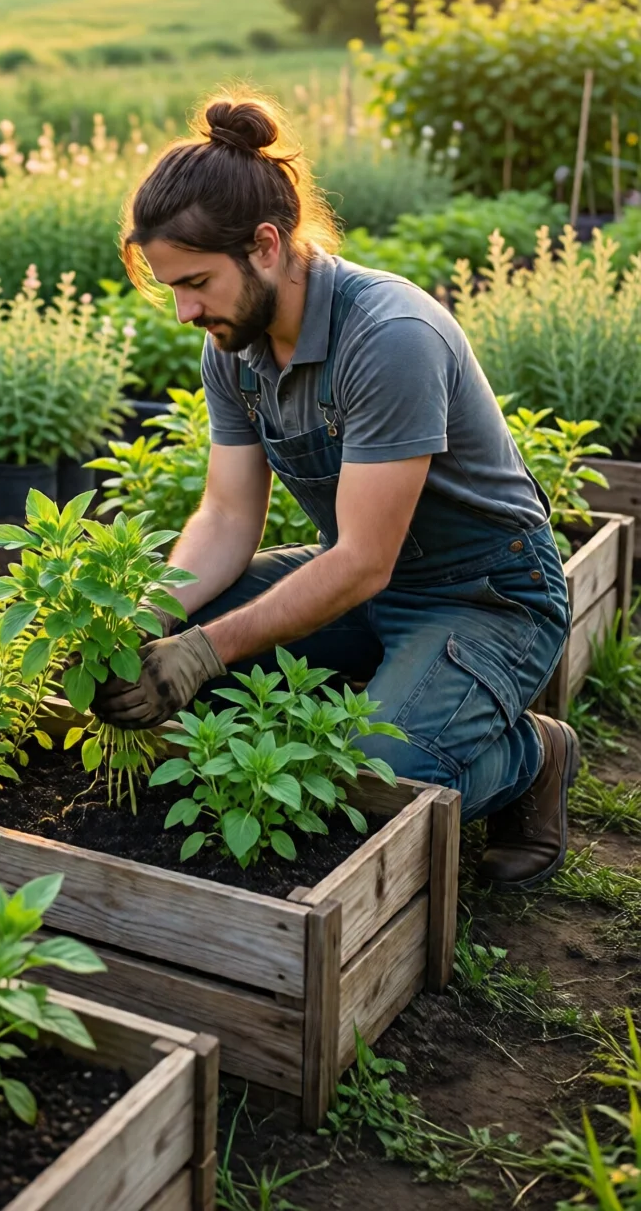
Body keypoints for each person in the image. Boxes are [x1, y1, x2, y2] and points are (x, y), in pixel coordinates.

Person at [92, 95, 577, 889]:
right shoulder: (235, 343)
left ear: (267, 246)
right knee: (177, 670)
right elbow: (223, 516)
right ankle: (411, 687)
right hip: (366, 585)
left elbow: (361, 561)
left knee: (376, 776)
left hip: (485, 596)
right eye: (171, 287)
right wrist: (147, 624)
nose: (184, 311)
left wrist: (207, 651)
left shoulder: (389, 337)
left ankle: (533, 754)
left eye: (196, 283)